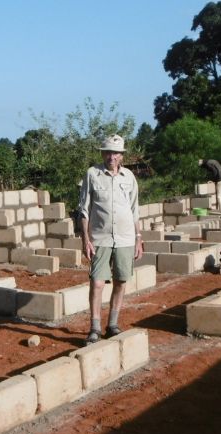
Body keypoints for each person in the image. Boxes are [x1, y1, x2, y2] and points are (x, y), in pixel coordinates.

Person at [78, 134, 143, 344]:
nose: (111, 156)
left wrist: (138, 238)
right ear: (102, 154)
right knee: (97, 283)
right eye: (107, 152)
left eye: (115, 153)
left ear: (122, 156)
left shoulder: (129, 177)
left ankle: (112, 323)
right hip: (100, 238)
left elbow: (135, 209)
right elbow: (84, 210)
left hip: (125, 238)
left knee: (121, 281)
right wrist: (85, 239)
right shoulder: (92, 174)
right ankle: (94, 327)